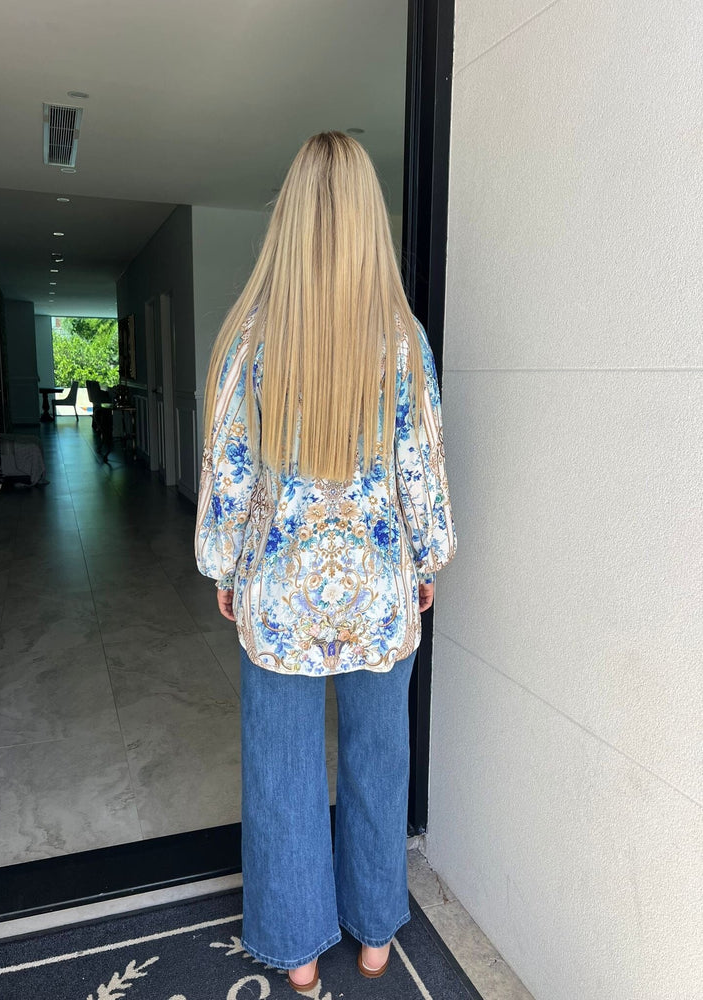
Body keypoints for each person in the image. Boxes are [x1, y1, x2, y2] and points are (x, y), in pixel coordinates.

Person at [194, 131, 456, 993]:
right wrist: (428, 561)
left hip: (281, 590)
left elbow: (228, 471)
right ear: (371, 223)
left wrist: (226, 569)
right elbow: (422, 470)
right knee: (380, 756)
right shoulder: (404, 340)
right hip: (380, 591)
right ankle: (376, 934)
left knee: (283, 767)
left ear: (293, 219)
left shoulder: (249, 337)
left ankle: (298, 950)